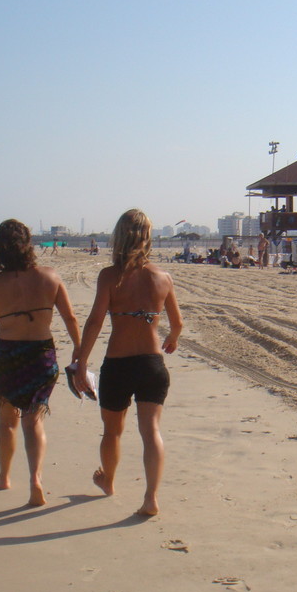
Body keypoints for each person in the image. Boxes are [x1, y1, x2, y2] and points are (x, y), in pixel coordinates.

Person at [73, 209, 183, 517]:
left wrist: (81, 361)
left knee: (112, 431)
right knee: (151, 432)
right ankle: (151, 498)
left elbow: (95, 321)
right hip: (152, 365)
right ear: (147, 238)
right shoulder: (163, 278)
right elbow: (177, 323)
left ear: (120, 236)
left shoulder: (110, 276)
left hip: (119, 364)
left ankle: (108, 481)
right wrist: (171, 339)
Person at [0, 219, 81, 507]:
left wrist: (7, 311)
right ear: (29, 245)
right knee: (33, 421)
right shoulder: (50, 277)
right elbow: (71, 318)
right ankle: (36, 479)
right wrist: (79, 351)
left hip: (7, 354)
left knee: (6, 421)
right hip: (41, 354)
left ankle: (4, 477)